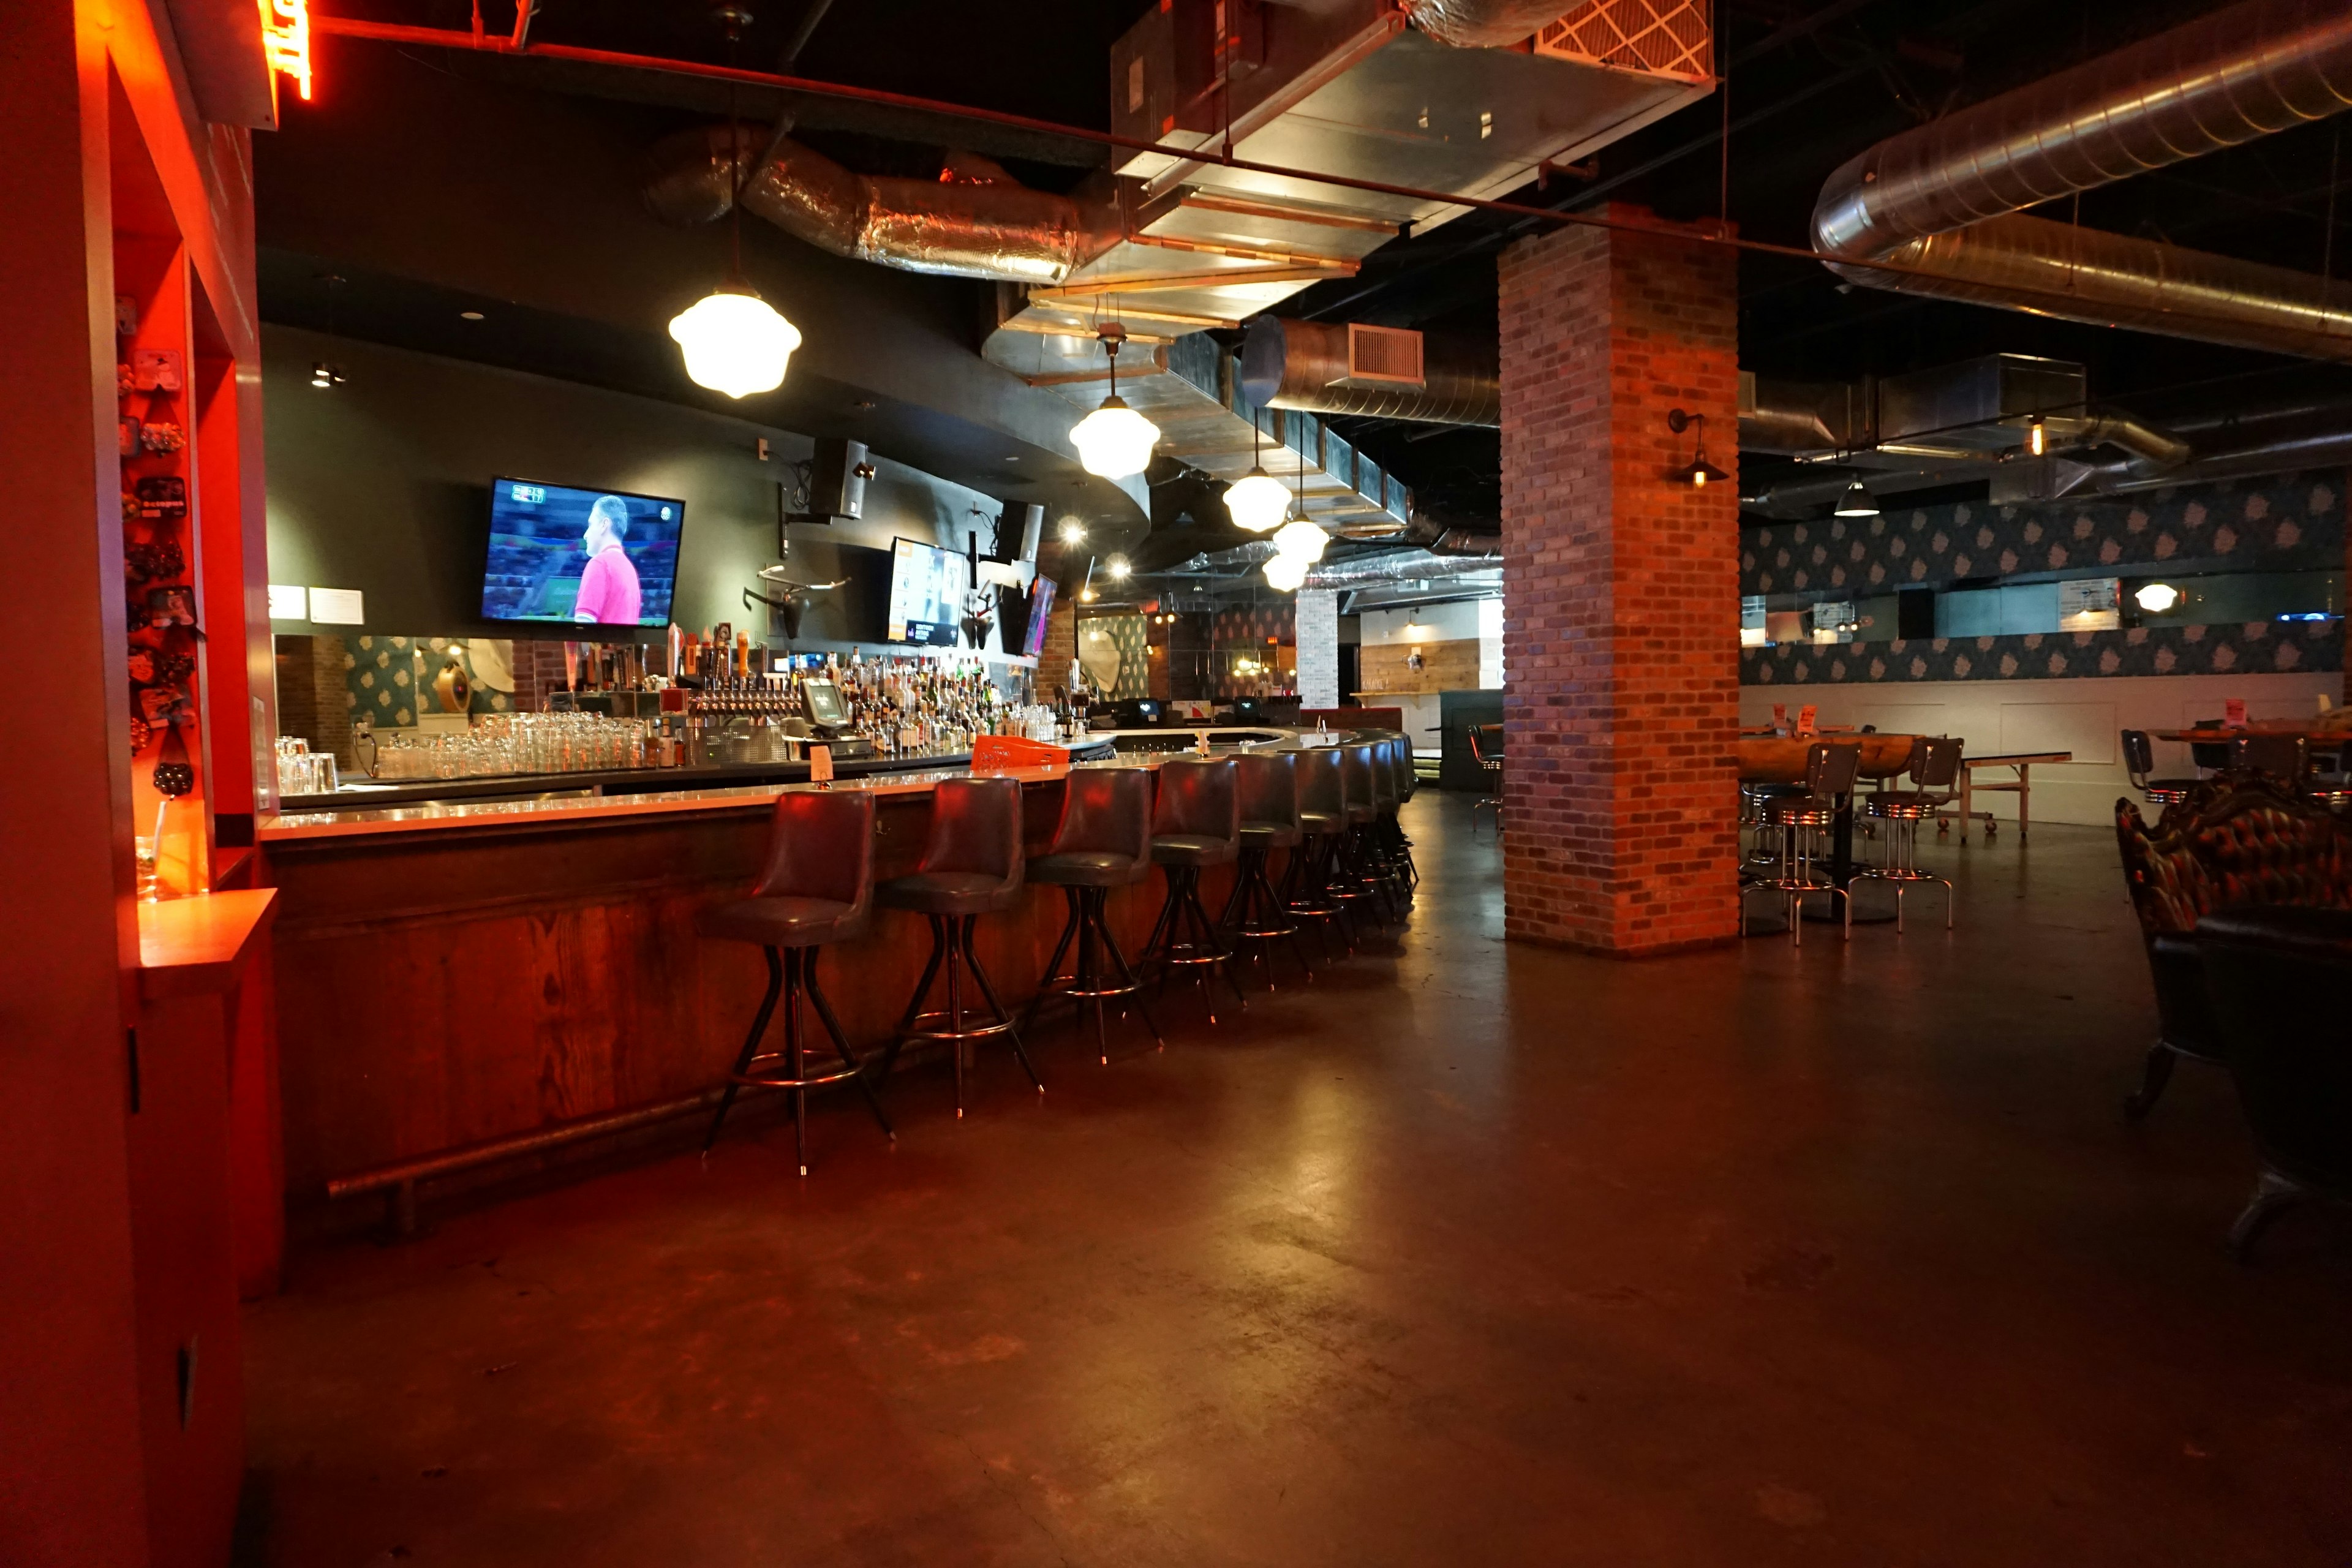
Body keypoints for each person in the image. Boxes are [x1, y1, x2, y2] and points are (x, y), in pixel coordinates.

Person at [571, 494, 641, 625]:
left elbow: (583, 629)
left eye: (590, 525)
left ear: (604, 525)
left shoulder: (600, 564)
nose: (585, 535)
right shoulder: (631, 570)